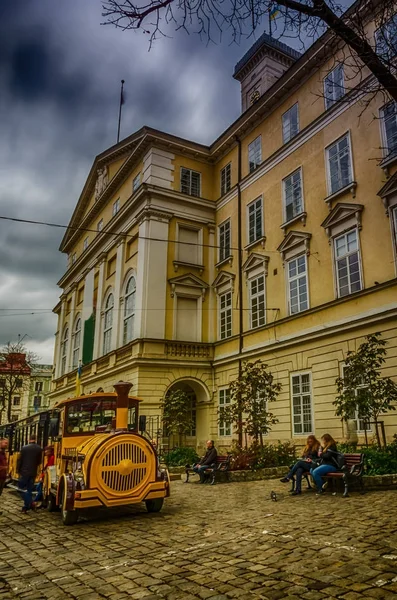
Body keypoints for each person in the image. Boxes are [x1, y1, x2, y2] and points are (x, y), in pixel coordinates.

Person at [17, 435, 42, 514]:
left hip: (24, 472)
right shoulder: (39, 448)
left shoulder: (24, 448)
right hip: (33, 472)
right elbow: (39, 461)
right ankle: (25, 507)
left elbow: (20, 460)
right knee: (29, 490)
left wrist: (18, 470)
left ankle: (31, 503)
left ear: (28, 439)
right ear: (35, 439)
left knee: (20, 489)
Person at [0, 438, 9, 514]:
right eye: (5, 443)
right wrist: (4, 467)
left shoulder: (3, 453)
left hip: (2, 477)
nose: (6, 444)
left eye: (7, 443)